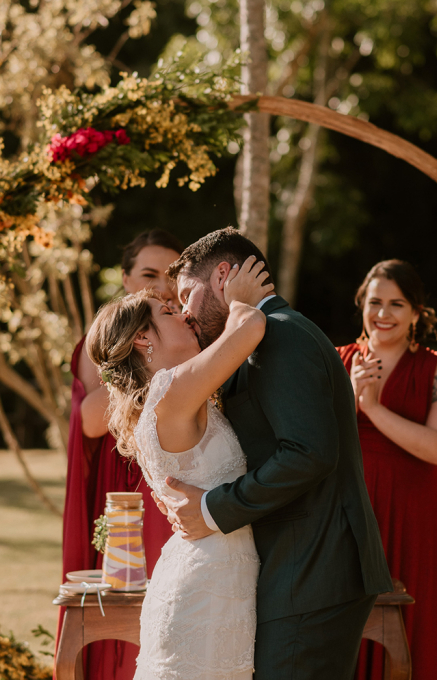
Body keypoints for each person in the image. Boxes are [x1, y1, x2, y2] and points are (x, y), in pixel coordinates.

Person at [161, 228, 393, 680]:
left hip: (311, 570)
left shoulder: (280, 336)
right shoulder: (256, 337)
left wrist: (212, 509)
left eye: (187, 294)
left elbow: (307, 453)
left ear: (224, 276)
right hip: (296, 570)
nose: (185, 313)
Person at [86, 257, 274, 679]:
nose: (186, 315)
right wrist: (240, 298)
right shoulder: (170, 388)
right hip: (207, 587)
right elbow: (250, 329)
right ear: (141, 340)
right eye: (169, 313)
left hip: (213, 575)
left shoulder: (172, 394)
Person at [59, 229, 182, 680]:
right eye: (149, 274)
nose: (161, 285)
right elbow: (91, 420)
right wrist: (145, 363)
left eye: (171, 275)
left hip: (175, 470)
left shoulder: (188, 331)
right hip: (123, 481)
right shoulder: (104, 338)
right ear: (127, 279)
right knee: (128, 601)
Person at [336, 260, 437, 680]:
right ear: (362, 305)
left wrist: (371, 408)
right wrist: (348, 399)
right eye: (375, 302)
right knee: (345, 626)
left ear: (416, 312)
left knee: (415, 627)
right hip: (348, 510)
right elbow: (316, 444)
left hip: (415, 514)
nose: (383, 314)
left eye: (397, 303)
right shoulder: (336, 361)